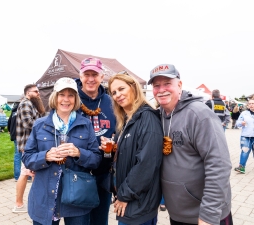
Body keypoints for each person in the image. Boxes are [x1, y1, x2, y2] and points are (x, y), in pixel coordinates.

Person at [148, 64, 233, 225]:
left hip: (206, 216)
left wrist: (208, 215)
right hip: (178, 214)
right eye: (156, 85)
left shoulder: (199, 114)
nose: (161, 89)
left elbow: (219, 165)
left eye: (167, 83)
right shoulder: (157, 117)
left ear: (179, 85)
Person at [22, 77, 101, 225]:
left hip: (77, 197)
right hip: (45, 195)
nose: (66, 99)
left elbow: (96, 159)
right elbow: (27, 157)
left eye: (71, 95)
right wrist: (45, 156)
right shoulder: (40, 125)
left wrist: (79, 153)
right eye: (61, 94)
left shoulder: (85, 124)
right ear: (55, 97)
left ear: (76, 99)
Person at [101, 74, 163, 225]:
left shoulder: (147, 117)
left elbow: (147, 164)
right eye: (114, 92)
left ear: (134, 87)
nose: (117, 95)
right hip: (130, 200)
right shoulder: (126, 119)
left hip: (138, 202)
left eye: (121, 89)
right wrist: (112, 149)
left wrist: (124, 195)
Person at [76, 57, 116, 225]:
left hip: (104, 172)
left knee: (100, 220)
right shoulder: (71, 99)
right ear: (80, 75)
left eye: (95, 74)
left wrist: (117, 144)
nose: (91, 79)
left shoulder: (112, 101)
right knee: (78, 220)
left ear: (102, 77)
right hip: (77, 172)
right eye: (87, 74)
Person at [12, 84, 45, 213]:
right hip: (28, 146)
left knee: (32, 173)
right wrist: (46, 125)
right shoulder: (26, 103)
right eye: (35, 91)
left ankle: (36, 202)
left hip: (31, 145)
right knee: (25, 173)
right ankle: (19, 204)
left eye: (38, 91)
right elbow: (28, 123)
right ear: (27, 93)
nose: (38, 93)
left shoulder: (31, 104)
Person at [234, 97, 254, 174]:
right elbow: (237, 123)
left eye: (253, 104)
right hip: (246, 136)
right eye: (250, 104)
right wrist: (241, 123)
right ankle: (241, 167)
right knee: (244, 151)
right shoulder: (244, 113)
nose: (251, 105)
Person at [8, 100, 22, 181]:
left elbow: (9, 123)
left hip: (14, 135)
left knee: (17, 155)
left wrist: (10, 131)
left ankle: (17, 176)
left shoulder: (13, 111)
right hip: (22, 135)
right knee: (25, 155)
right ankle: (27, 176)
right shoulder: (24, 110)